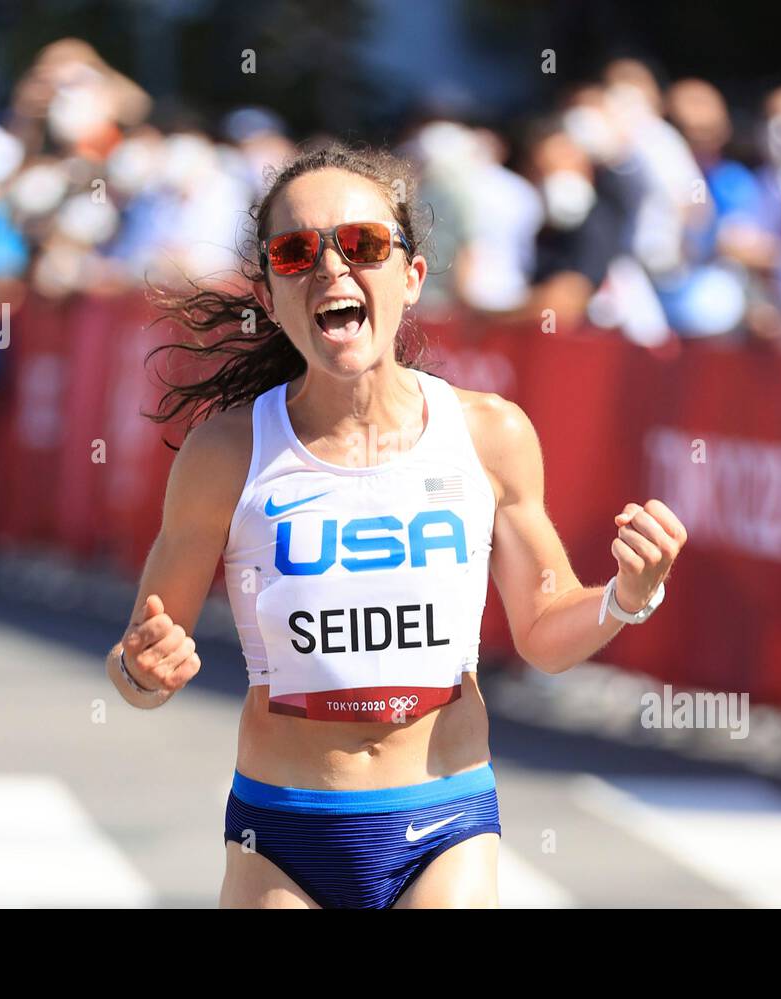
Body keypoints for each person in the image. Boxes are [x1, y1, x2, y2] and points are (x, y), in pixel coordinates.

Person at [103, 143, 687, 909]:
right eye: (296, 251)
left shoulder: (489, 433)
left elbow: (544, 630)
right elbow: (138, 662)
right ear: (273, 295)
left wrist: (628, 595)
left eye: (366, 245)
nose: (333, 269)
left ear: (411, 278)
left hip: (445, 820)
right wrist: (143, 672)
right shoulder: (227, 452)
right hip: (282, 835)